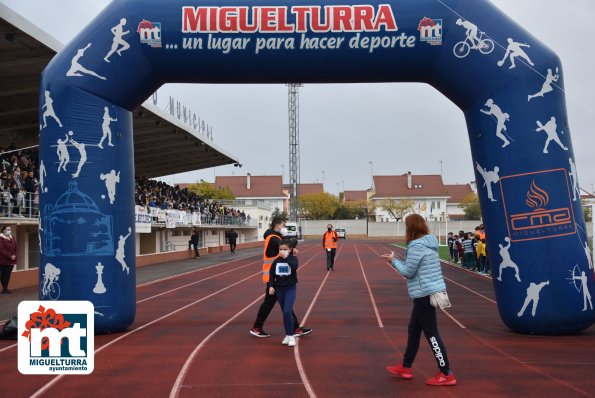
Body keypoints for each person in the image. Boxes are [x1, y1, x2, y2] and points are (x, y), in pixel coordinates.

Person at [382, 214, 456, 386]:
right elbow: (416, 267)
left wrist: (392, 261)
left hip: (424, 294)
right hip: (426, 292)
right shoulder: (429, 242)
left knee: (432, 334)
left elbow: (408, 272)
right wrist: (397, 259)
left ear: (410, 228)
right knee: (413, 330)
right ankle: (406, 366)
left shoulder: (416, 246)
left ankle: (446, 373)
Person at [250, 217, 311, 338]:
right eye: (283, 225)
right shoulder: (274, 239)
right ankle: (257, 327)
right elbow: (287, 244)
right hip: (274, 279)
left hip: (279, 278)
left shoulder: (274, 237)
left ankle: (294, 327)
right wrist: (293, 246)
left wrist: (292, 246)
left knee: (282, 305)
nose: (284, 228)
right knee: (271, 304)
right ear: (277, 225)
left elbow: (287, 244)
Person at [269, 240, 299, 347]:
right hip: (279, 290)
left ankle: (291, 336)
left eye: (285, 249)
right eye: (280, 249)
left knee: (287, 311)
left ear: (290, 250)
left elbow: (294, 267)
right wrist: (271, 286)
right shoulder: (276, 261)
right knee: (285, 313)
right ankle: (287, 334)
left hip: (290, 289)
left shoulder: (293, 259)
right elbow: (272, 275)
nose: (282, 251)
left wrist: (287, 257)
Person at [0, 226, 18, 294]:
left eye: (10, 229)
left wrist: (15, 255)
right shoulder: (1, 239)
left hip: (11, 261)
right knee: (3, 275)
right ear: (4, 230)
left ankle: (5, 288)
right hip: (3, 261)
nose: (9, 230)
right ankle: (4, 288)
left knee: (7, 275)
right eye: (8, 229)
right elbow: (1, 249)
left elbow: (16, 248)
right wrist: (10, 256)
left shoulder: (12, 238)